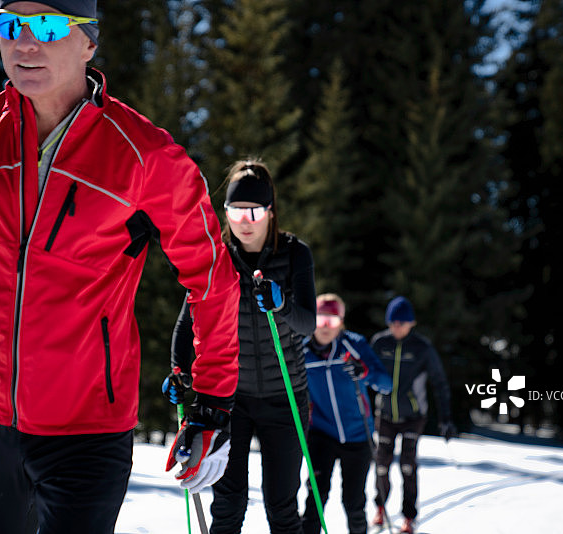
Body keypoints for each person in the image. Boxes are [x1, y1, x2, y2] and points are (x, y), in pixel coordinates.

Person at [0, 2, 241, 533]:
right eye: (9, 25)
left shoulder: (144, 155)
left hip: (87, 431)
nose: (25, 43)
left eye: (46, 26)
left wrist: (211, 404)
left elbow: (212, 277)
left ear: (89, 43)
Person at [164, 158, 316, 534]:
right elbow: (189, 322)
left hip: (286, 397)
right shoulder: (217, 257)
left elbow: (308, 325)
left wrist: (281, 304)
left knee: (281, 505)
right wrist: (179, 370)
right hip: (232, 400)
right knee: (228, 504)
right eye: (235, 210)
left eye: (254, 210)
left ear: (270, 211)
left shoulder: (295, 254)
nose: (245, 221)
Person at [301, 293, 392, 534]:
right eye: (320, 320)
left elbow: (385, 383)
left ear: (341, 323)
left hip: (358, 434)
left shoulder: (354, 344)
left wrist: (364, 371)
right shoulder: (301, 351)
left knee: (353, 502)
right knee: (315, 500)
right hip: (321, 435)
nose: (325, 327)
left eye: (332, 321)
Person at [371, 296, 456, 534]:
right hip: (385, 413)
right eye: (392, 322)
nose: (396, 327)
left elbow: (440, 383)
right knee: (381, 465)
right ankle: (380, 507)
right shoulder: (380, 342)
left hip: (413, 416)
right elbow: (366, 373)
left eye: (402, 322)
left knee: (408, 466)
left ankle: (409, 516)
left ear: (412, 323)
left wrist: (445, 419)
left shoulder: (422, 348)